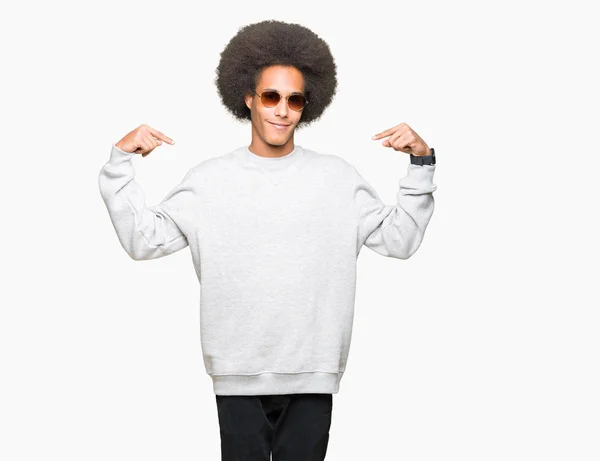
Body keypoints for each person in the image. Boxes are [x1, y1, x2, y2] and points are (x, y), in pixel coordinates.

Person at [98, 19, 437, 461]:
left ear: (306, 105)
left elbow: (401, 240)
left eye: (294, 99)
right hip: (237, 372)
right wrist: (119, 163)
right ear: (248, 98)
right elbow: (144, 241)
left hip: (313, 372)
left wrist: (421, 163)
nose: (282, 109)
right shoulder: (210, 180)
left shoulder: (337, 178)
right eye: (271, 96)